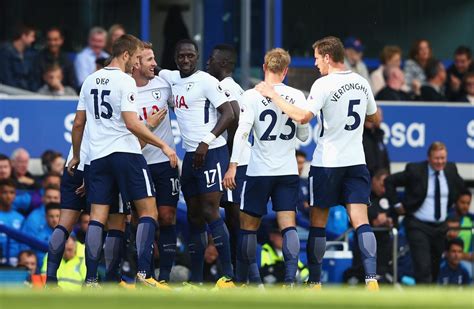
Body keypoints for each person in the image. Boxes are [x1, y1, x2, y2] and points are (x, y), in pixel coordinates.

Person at [255, 36, 380, 291]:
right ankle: (372, 279)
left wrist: (272, 95)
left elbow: (302, 117)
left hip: (327, 163)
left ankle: (314, 281)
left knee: (318, 222)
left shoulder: (323, 85)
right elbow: (374, 117)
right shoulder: (361, 82)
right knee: (360, 220)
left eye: (316, 58)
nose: (314, 64)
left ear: (327, 56)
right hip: (356, 162)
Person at [68, 34, 177, 288]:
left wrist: (76, 156)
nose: (136, 63)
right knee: (149, 210)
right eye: (136, 57)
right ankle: (143, 273)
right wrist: (161, 144)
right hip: (126, 154)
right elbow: (131, 123)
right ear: (126, 55)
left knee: (97, 217)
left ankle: (92, 279)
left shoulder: (89, 80)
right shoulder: (125, 82)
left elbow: (78, 124)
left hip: (98, 158)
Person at [224, 48, 309, 287]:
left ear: (264, 67)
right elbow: (303, 134)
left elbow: (242, 133)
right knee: (288, 225)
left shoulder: (251, 95)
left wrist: (232, 166)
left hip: (259, 171)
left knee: (248, 227)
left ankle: (253, 282)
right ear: (286, 71)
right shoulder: (297, 96)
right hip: (287, 170)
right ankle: (291, 279)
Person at [159, 39, 236, 288]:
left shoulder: (207, 81)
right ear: (175, 57)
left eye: (190, 56)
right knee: (194, 217)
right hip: (190, 155)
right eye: (181, 56)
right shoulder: (171, 78)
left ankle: (229, 276)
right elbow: (151, 69)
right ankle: (197, 280)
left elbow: (229, 113)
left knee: (209, 211)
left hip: (211, 151)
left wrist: (207, 140)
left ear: (197, 57)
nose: (186, 60)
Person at [132, 42, 180, 286]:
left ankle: (165, 278)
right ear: (136, 63)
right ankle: (145, 275)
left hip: (164, 163)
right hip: (137, 163)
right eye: (149, 59)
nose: (155, 64)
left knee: (167, 216)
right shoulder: (125, 90)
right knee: (140, 220)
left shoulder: (164, 85)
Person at [384, 141, 465, 283]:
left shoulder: (451, 169)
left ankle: (430, 299)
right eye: (437, 158)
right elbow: (390, 181)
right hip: (418, 225)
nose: (440, 162)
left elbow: (460, 188)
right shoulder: (415, 170)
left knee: (435, 268)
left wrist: (452, 212)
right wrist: (397, 205)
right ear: (429, 158)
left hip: (440, 228)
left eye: (443, 158)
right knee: (423, 266)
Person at [206, 44, 246, 270]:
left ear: (221, 64)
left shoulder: (224, 87)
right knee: (233, 219)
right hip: (238, 161)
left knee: (234, 219)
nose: (206, 62)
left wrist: (229, 156)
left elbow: (237, 119)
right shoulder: (235, 87)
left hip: (234, 162)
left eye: (210, 59)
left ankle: (239, 275)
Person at [0, 24, 37, 91]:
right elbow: (6, 76)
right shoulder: (5, 52)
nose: (33, 40)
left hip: (27, 93)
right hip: (9, 93)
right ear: (23, 36)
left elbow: (32, 76)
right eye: (32, 36)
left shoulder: (30, 54)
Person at [0, 179, 24, 266]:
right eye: (4, 192)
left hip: (16, 260)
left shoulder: (20, 218)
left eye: (12, 192)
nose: (9, 196)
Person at [362, 108, 390, 176]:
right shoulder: (361, 136)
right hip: (367, 178)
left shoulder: (379, 136)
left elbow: (385, 160)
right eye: (379, 116)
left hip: (379, 179)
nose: (381, 119)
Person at [296, 150, 310, 217]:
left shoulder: (304, 182)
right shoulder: (283, 184)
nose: (301, 167)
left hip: (308, 220)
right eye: (299, 163)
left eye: (303, 163)